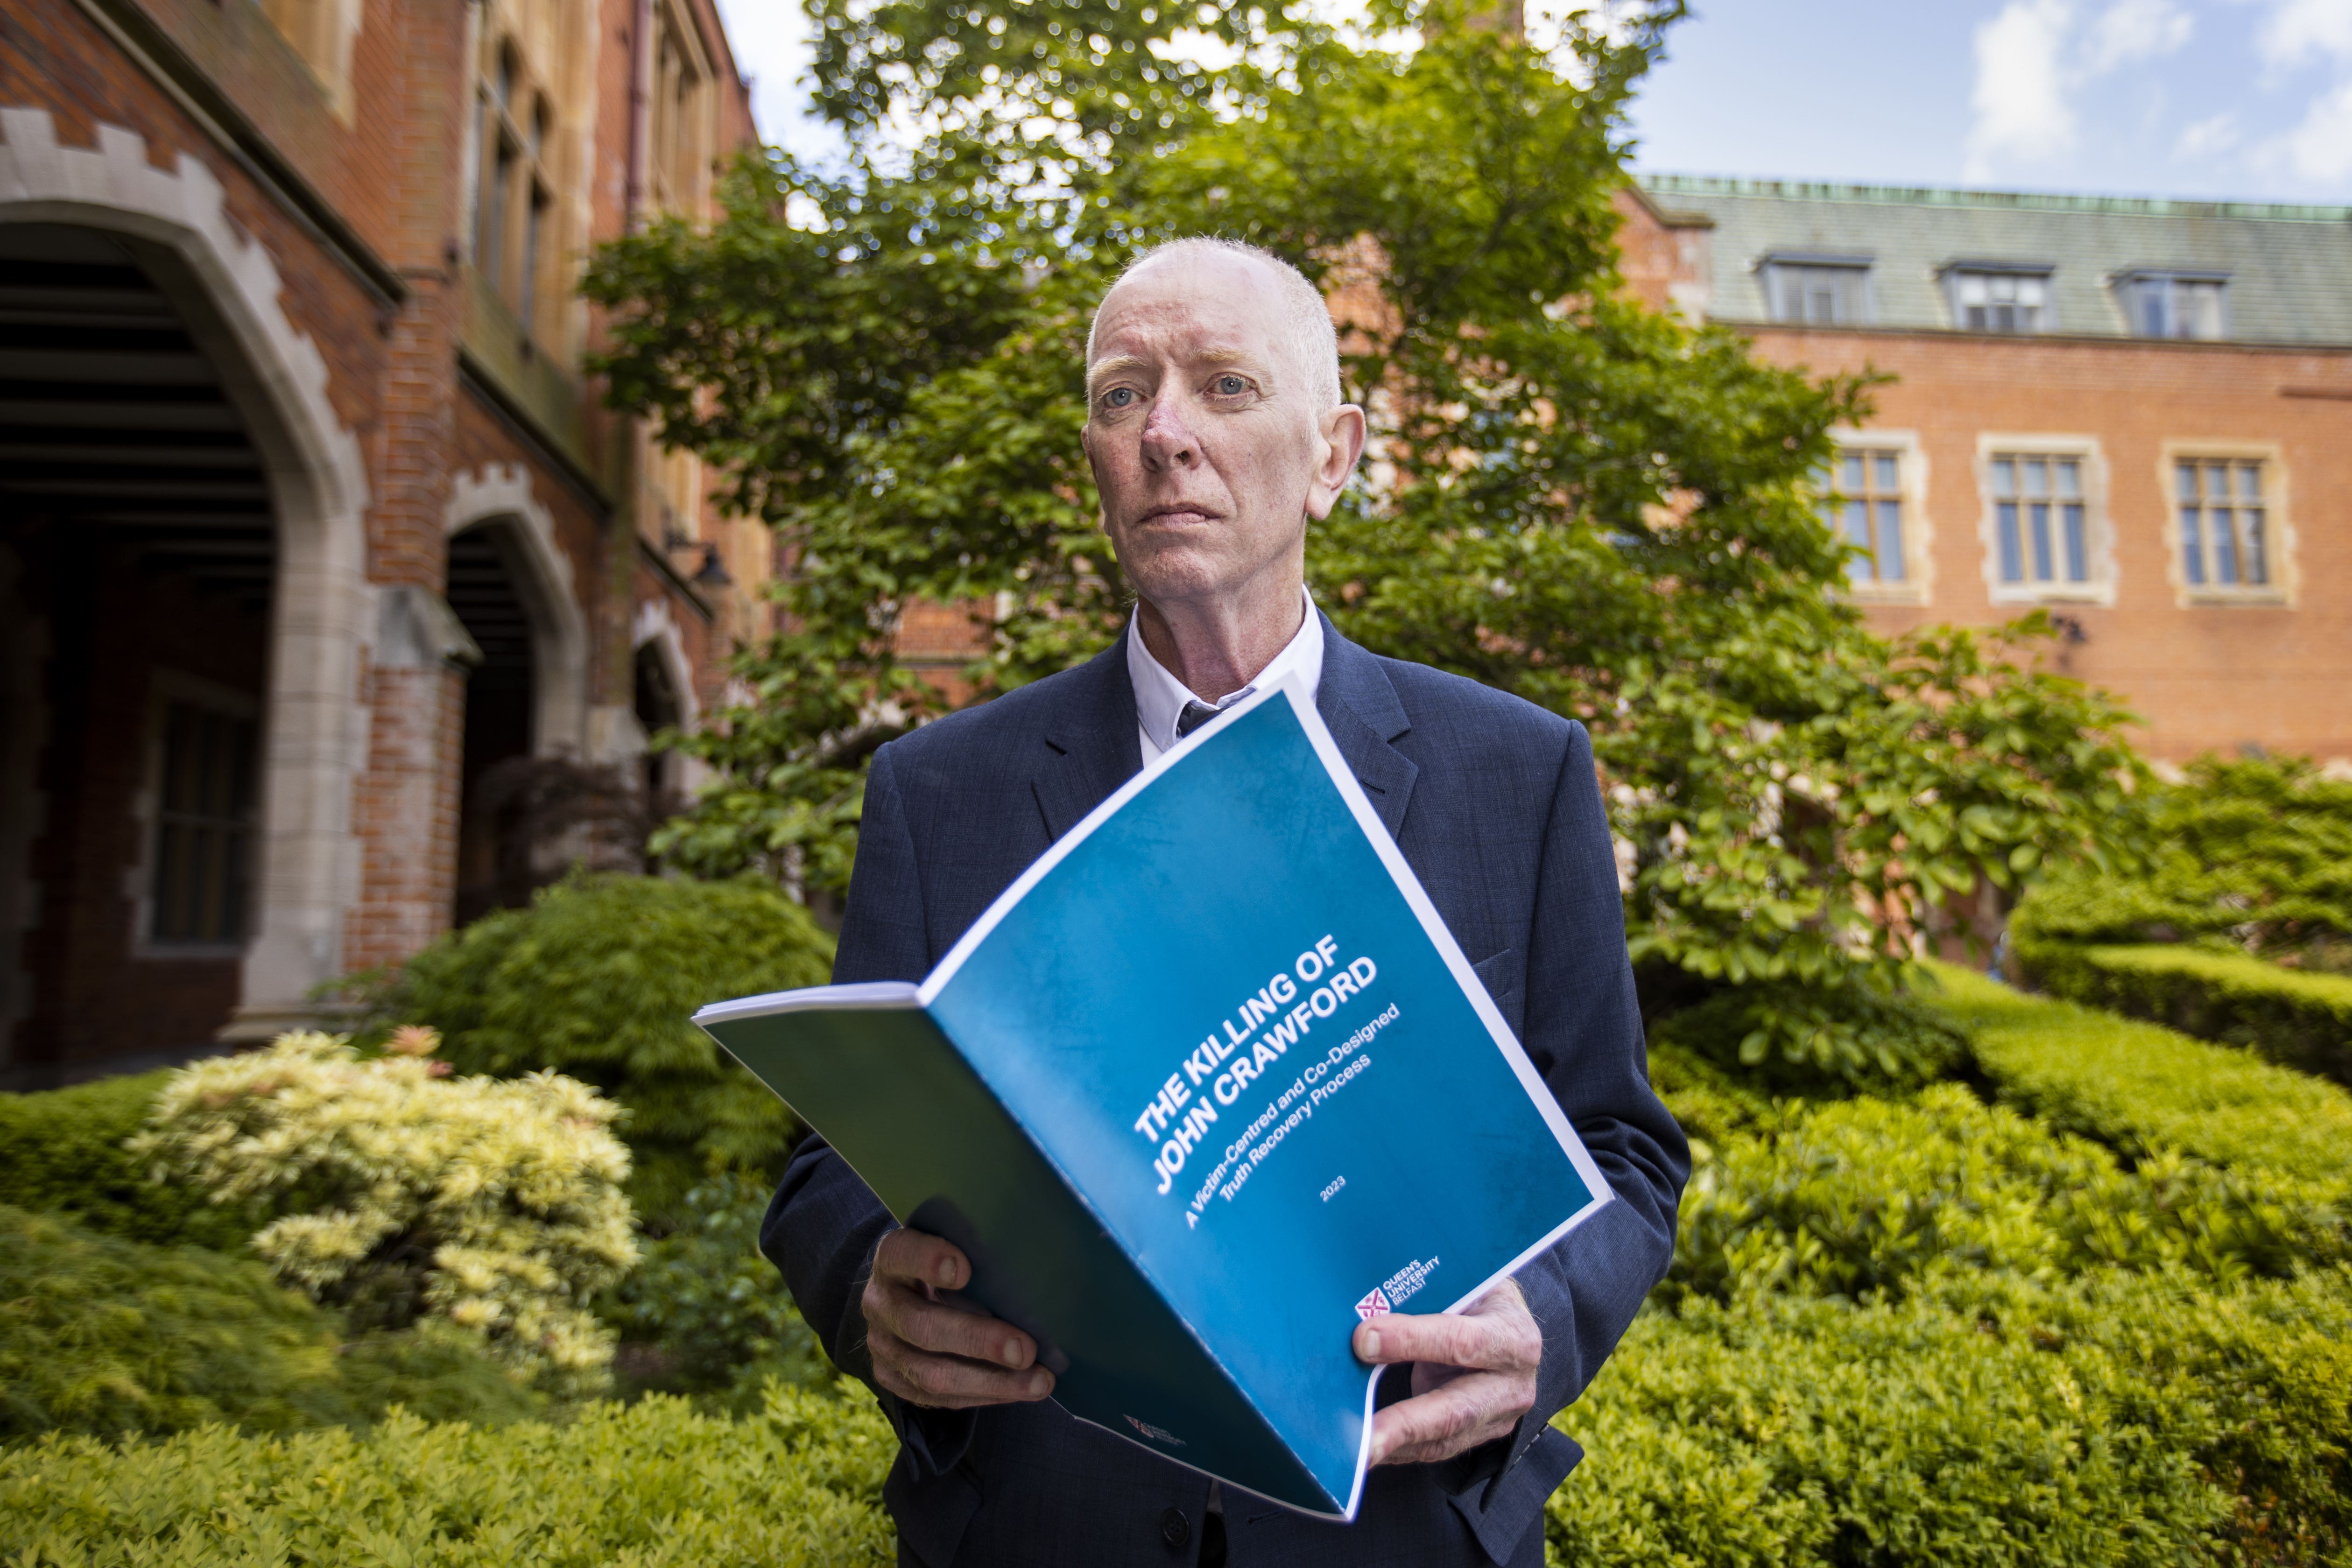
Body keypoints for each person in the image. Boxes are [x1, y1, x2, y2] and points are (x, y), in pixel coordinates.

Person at [763, 237, 1689, 1568]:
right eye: (1120, 393)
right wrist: (867, 1292)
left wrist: (1545, 1314)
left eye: (1228, 386)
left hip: (1403, 1524)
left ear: (1334, 456)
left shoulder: (1517, 771)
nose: (1165, 433)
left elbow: (1627, 1149)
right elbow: (824, 1165)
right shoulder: (936, 788)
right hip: (1042, 1523)